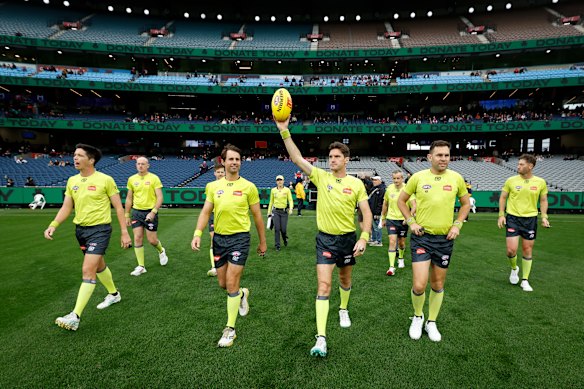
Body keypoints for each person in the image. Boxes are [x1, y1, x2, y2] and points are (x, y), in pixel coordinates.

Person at [275, 116, 372, 357]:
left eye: (337, 156)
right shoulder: (321, 176)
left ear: (346, 160)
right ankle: (321, 338)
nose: (332, 160)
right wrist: (284, 131)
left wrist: (364, 237)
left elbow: (366, 212)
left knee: (345, 281)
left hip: (348, 239)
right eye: (330, 157)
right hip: (325, 240)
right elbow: (296, 158)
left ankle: (343, 308)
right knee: (324, 285)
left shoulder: (356, 184)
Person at [44, 143, 132, 331]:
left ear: (91, 160)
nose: (75, 158)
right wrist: (53, 225)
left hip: (99, 230)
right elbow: (67, 207)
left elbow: (118, 207)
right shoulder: (72, 181)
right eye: (74, 155)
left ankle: (75, 316)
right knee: (99, 265)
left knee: (87, 270)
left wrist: (125, 232)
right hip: (80, 231)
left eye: (79, 155)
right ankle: (114, 294)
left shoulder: (105, 179)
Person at [191, 144, 267, 348]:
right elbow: (206, 212)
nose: (234, 162)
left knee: (232, 282)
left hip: (240, 239)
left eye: (237, 159)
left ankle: (230, 329)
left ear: (240, 162)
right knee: (223, 284)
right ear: (222, 162)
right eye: (231, 159)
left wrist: (262, 241)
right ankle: (242, 294)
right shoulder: (213, 187)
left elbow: (258, 216)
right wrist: (198, 233)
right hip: (219, 240)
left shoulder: (249, 187)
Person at [398, 140, 470, 342]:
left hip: (445, 239)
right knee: (420, 285)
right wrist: (411, 222)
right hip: (422, 238)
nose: (443, 159)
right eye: (439, 155)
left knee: (437, 284)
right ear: (430, 157)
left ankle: (431, 322)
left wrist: (457, 225)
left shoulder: (456, 178)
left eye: (447, 155)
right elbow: (400, 201)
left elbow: (465, 204)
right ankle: (418, 316)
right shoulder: (418, 178)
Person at [498, 154, 549, 292]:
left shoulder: (540, 182)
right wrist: (501, 215)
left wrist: (544, 216)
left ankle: (524, 280)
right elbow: (503, 197)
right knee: (511, 250)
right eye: (518, 164)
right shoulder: (511, 180)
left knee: (527, 249)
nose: (518, 166)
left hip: (530, 219)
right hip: (513, 218)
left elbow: (543, 200)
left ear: (530, 166)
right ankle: (514, 268)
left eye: (521, 164)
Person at [125, 157, 168, 277]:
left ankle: (161, 250)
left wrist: (153, 212)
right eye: (138, 164)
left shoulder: (154, 178)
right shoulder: (132, 179)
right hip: (136, 212)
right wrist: (127, 214)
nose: (140, 166)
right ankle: (141, 266)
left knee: (152, 240)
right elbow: (129, 198)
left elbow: (160, 197)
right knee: (137, 237)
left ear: (148, 165)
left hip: (150, 212)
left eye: (143, 164)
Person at [381, 170, 416, 276]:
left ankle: (401, 258)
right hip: (391, 219)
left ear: (402, 178)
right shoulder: (389, 189)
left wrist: (408, 217)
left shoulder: (407, 189)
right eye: (394, 178)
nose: (396, 180)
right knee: (392, 241)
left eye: (398, 178)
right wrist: (383, 217)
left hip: (403, 220)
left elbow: (414, 205)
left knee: (401, 243)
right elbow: (385, 204)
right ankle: (391, 267)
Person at [207, 163, 226, 277]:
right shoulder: (210, 186)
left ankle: (226, 263)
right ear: (214, 173)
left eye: (222, 172)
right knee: (214, 240)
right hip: (213, 216)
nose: (220, 174)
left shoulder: (229, 185)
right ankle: (215, 266)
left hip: (225, 216)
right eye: (218, 172)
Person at [267, 175, 294, 251]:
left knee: (283, 230)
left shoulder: (287, 190)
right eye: (278, 180)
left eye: (280, 180)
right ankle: (277, 245)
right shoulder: (273, 190)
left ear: (283, 181)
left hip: (284, 212)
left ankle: (285, 239)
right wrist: (269, 212)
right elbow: (271, 201)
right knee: (277, 229)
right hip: (275, 211)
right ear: (276, 181)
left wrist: (291, 208)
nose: (279, 181)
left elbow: (290, 200)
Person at [368, 176, 386, 246]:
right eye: (373, 180)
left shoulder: (382, 189)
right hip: (372, 210)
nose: (374, 181)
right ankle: (374, 239)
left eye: (375, 180)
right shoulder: (375, 188)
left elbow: (381, 202)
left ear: (379, 181)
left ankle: (379, 241)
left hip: (376, 211)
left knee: (377, 226)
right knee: (373, 226)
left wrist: (378, 212)